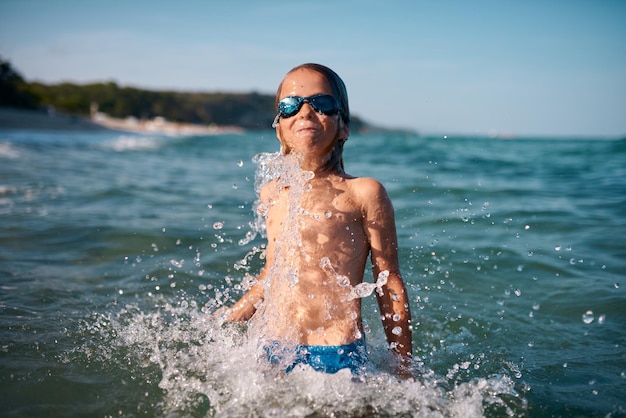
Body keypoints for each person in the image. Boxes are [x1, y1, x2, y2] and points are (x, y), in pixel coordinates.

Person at [219, 63, 413, 377]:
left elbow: (388, 282)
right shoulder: (272, 193)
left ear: (344, 126)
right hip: (273, 345)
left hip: (336, 352)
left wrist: (404, 367)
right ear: (279, 127)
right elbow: (273, 271)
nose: (305, 112)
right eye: (290, 106)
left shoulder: (363, 192)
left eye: (321, 104)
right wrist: (232, 316)